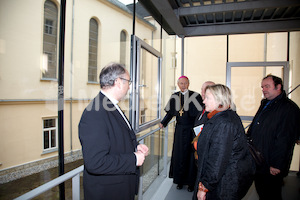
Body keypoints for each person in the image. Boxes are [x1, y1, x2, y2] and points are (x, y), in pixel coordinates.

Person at [78, 63, 149, 200]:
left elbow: (117, 139)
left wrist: (136, 147)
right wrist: (133, 159)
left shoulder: (110, 105)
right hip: (108, 192)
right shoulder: (94, 113)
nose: (129, 87)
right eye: (128, 82)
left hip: (119, 187)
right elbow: (95, 162)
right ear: (118, 82)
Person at [193, 84, 255, 200]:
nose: (204, 101)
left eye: (207, 98)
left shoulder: (224, 123)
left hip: (224, 182)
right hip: (223, 178)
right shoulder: (222, 116)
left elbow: (217, 160)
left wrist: (204, 187)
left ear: (219, 100)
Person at [246, 74, 300, 200]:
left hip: (272, 163)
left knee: (271, 194)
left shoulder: (288, 108)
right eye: (262, 87)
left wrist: (277, 164)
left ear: (278, 87)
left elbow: (285, 139)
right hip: (259, 160)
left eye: (267, 86)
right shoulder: (266, 104)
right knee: (262, 191)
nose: (264, 89)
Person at [159, 76, 203, 192]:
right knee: (179, 155)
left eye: (185, 83)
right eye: (181, 83)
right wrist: (163, 123)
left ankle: (190, 182)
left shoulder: (195, 96)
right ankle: (179, 181)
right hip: (179, 130)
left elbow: (199, 115)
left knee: (190, 155)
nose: (183, 85)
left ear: (188, 84)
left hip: (191, 130)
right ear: (178, 84)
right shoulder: (175, 96)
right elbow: (170, 114)